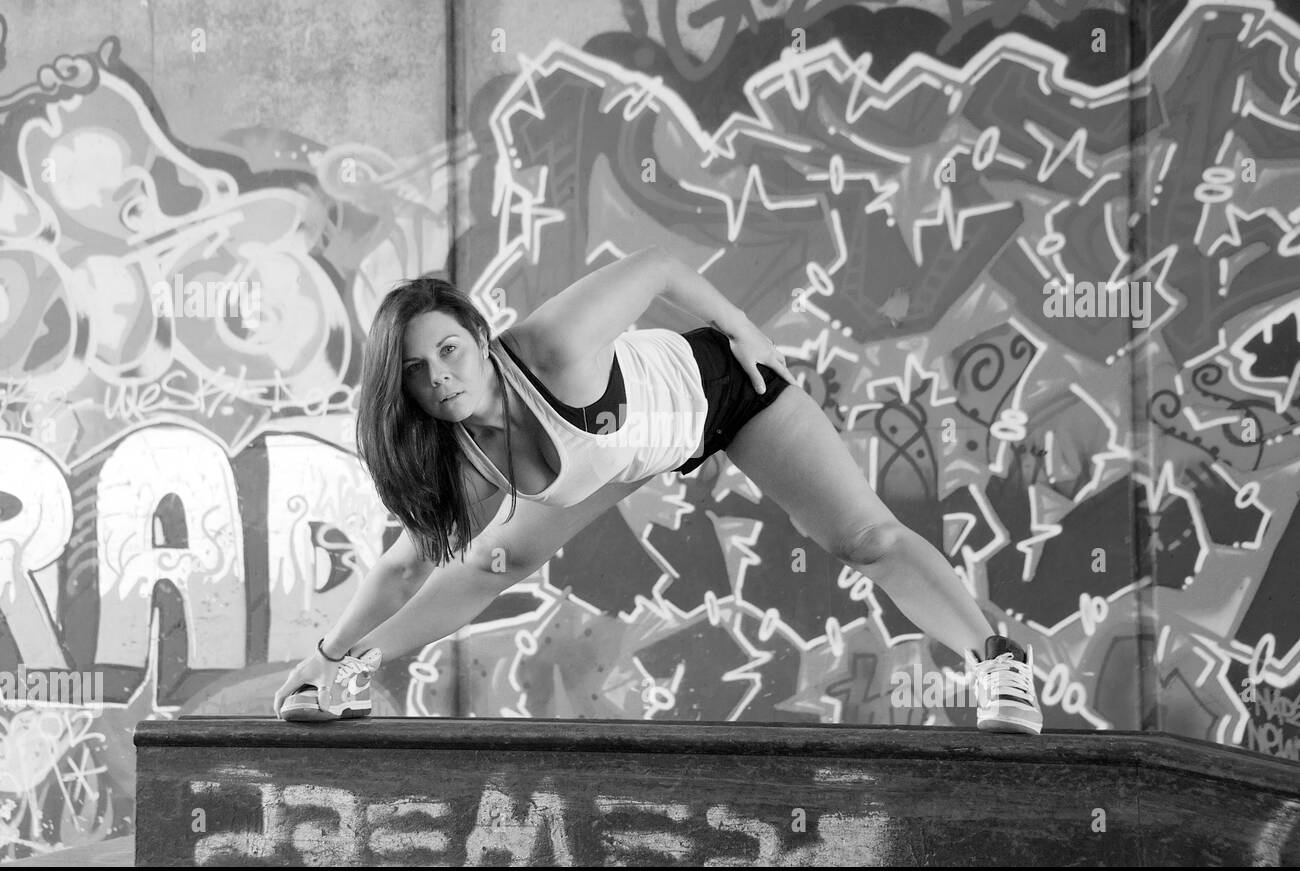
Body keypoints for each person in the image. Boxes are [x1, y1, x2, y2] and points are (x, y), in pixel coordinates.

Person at [273, 246, 1042, 734]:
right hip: (620, 457)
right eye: (415, 370)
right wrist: (325, 651)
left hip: (716, 395)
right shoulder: (465, 452)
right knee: (485, 564)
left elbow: (661, 266)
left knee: (863, 539)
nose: (440, 378)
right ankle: (354, 667)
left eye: (448, 350)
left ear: (479, 338)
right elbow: (406, 565)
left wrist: (744, 330)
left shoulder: (554, 346)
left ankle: (998, 659)